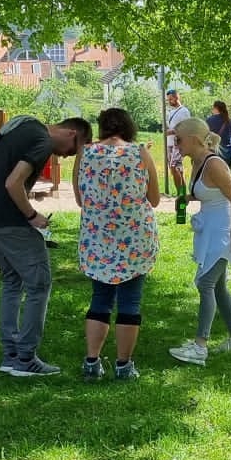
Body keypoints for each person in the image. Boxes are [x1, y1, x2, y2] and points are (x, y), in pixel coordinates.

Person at [0, 113, 92, 377]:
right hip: (10, 219)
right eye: (72, 151)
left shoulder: (26, 127)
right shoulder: (43, 141)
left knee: (12, 281)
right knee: (39, 284)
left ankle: (10, 356)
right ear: (72, 133)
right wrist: (32, 215)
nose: (66, 156)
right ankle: (26, 358)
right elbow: (13, 182)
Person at [74, 107, 160, 381]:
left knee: (100, 298)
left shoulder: (85, 153)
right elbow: (155, 199)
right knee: (130, 301)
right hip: (134, 239)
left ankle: (91, 362)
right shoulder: (140, 153)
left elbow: (80, 198)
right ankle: (123, 365)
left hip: (97, 238)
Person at [162, 88, 192, 193]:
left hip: (179, 143)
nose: (169, 101)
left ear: (176, 97)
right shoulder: (171, 112)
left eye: (171, 99)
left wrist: (172, 131)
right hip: (169, 143)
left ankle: (180, 193)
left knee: (173, 167)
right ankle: (182, 194)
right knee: (177, 169)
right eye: (168, 99)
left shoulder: (184, 111)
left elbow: (187, 128)